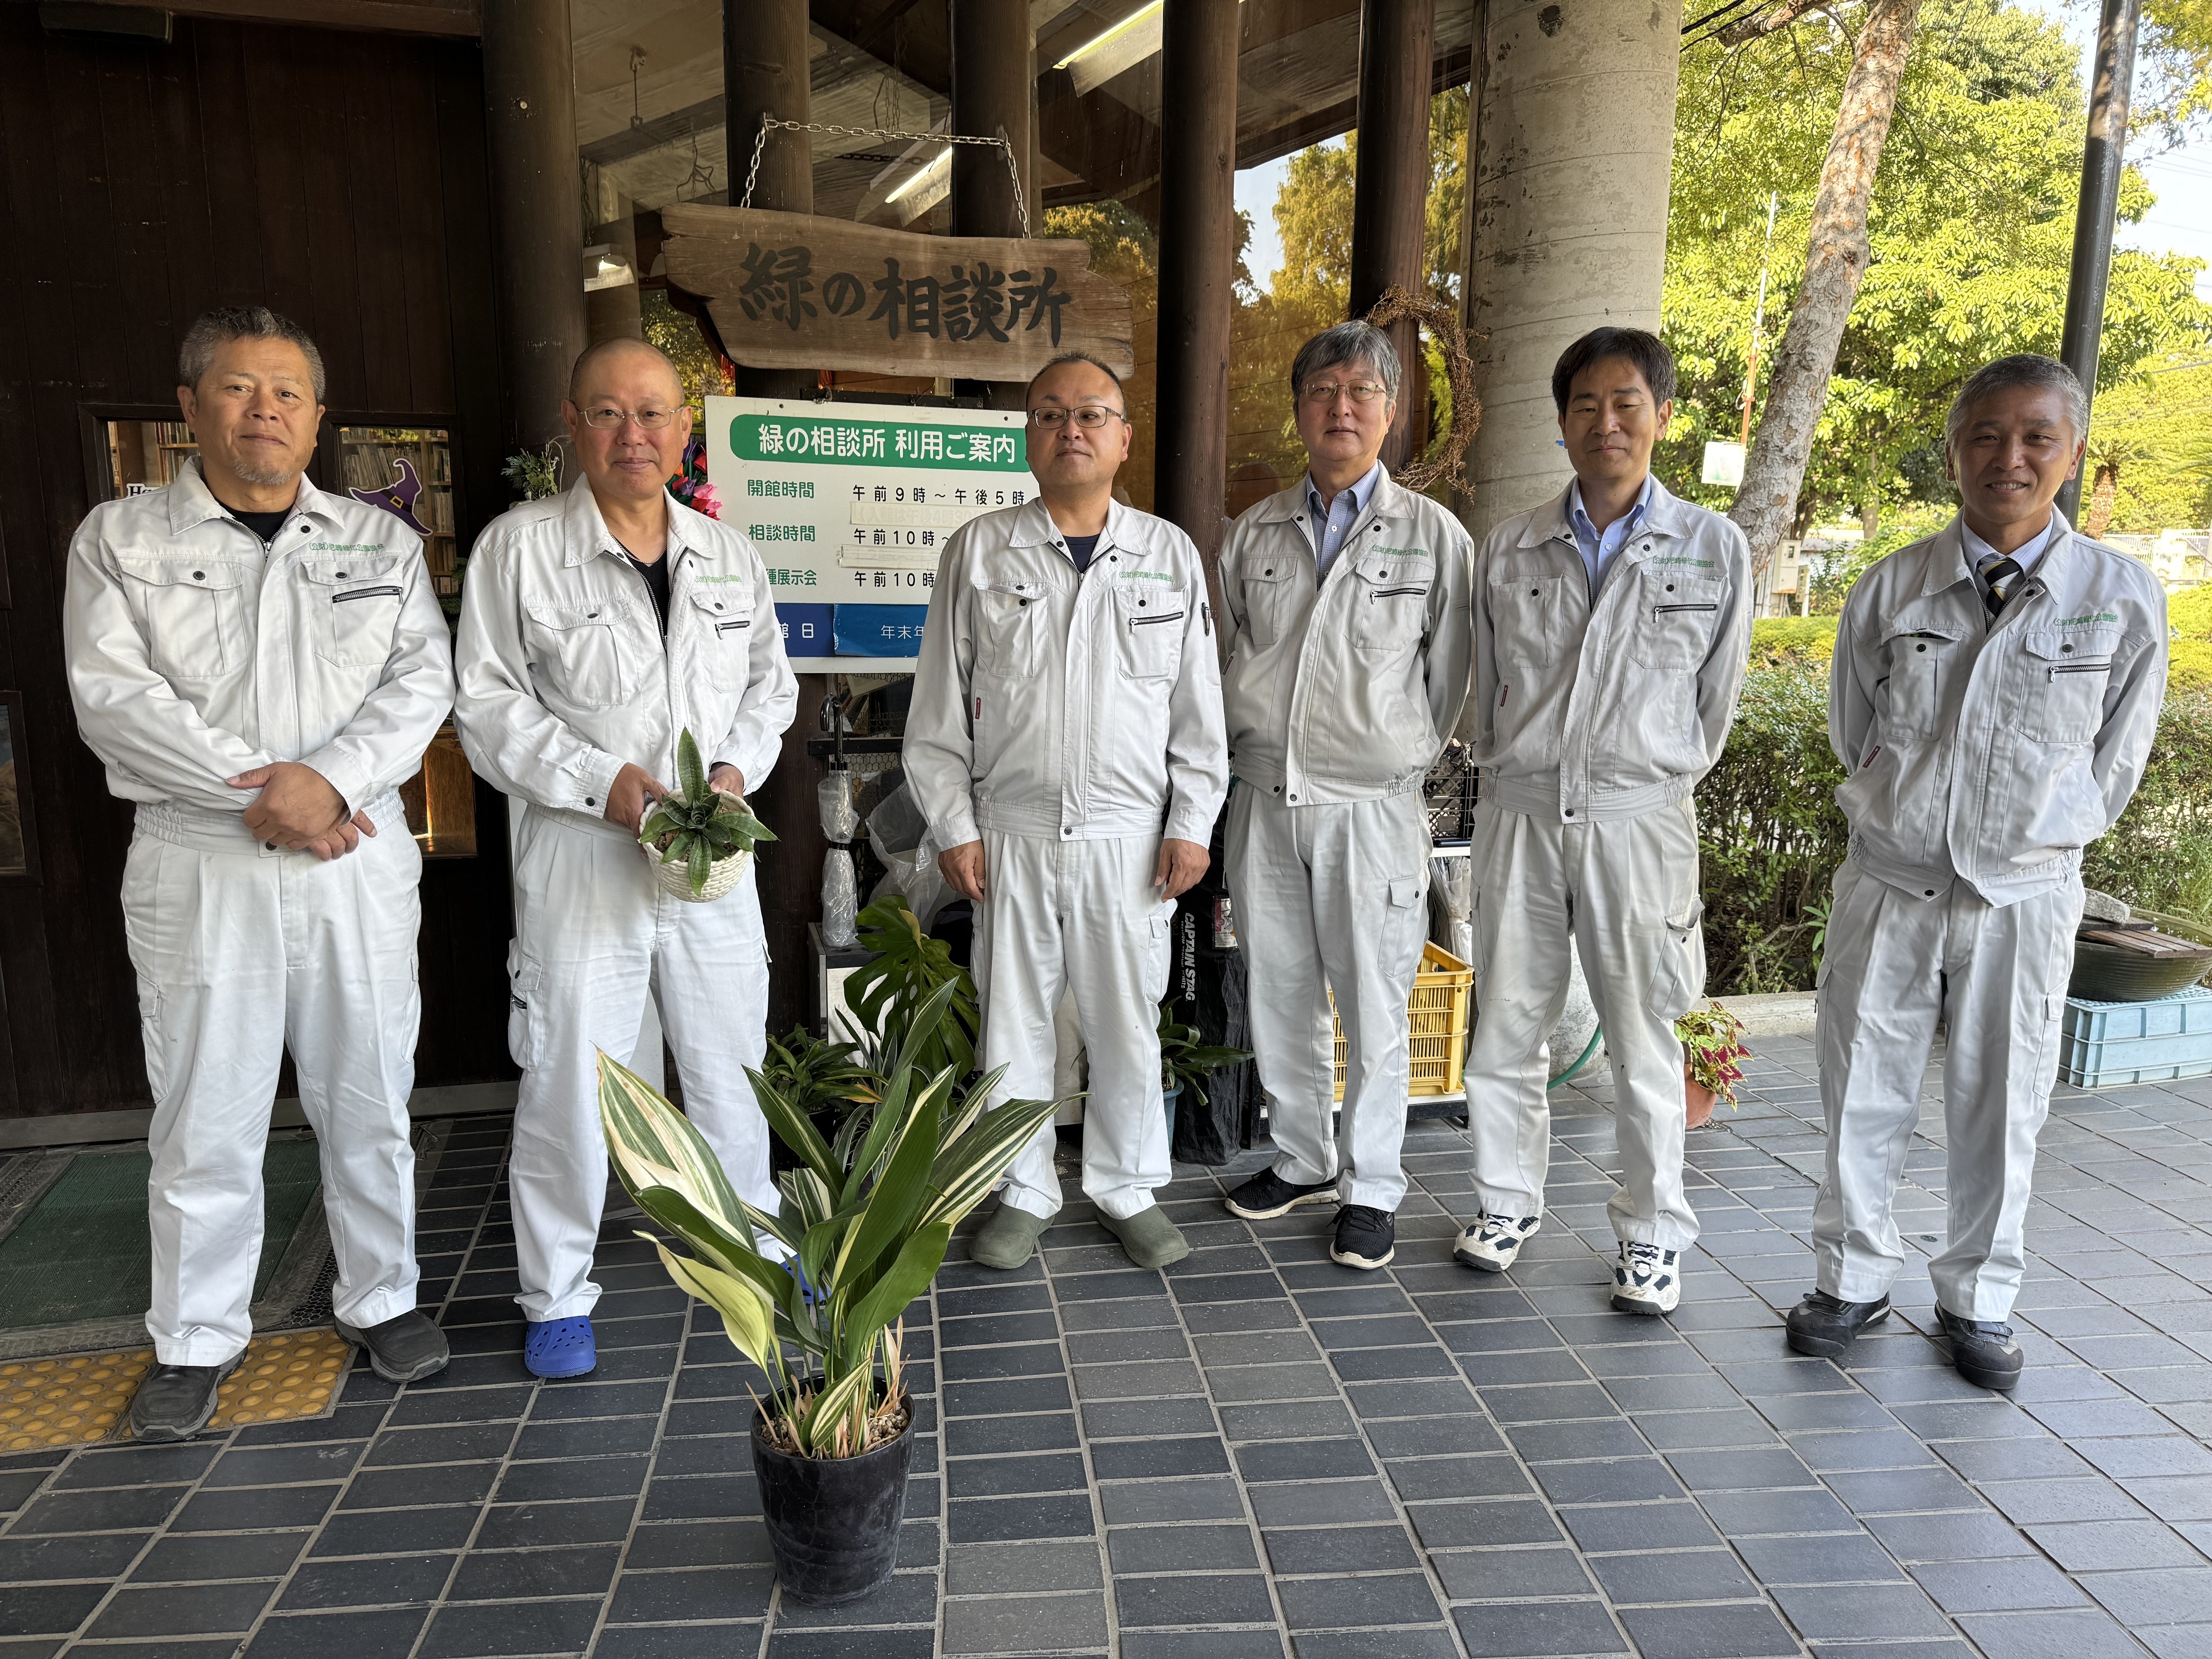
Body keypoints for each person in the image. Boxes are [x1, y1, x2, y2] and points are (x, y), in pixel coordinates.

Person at [65, 306, 455, 1439]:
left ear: (319, 418)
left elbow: (420, 684)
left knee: (369, 1090)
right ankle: (195, 1339)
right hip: (201, 858)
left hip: (352, 853)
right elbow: (116, 702)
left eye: (287, 393)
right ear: (189, 408)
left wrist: (328, 783)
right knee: (207, 1108)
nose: (264, 411)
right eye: (238, 389)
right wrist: (271, 797)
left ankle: (382, 1298)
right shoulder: (120, 541)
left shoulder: (377, 546)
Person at [1788, 356, 2166, 1391]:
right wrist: (1909, 814)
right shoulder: (1893, 586)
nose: (2011, 458)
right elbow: (1857, 730)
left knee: (2004, 1105)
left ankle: (1978, 1300)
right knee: (1863, 1088)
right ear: (1954, 450)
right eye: (1987, 436)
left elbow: (2118, 757)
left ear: (2072, 454)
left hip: (2024, 894)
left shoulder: (2117, 597)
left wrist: (2045, 836)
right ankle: (1851, 1280)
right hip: (1892, 881)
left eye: (2038, 437)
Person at [453, 339, 796, 1379]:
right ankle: (557, 1294)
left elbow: (770, 687)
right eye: (608, 413)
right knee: (570, 1075)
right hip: (581, 856)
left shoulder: (727, 555)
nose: (633, 433)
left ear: (685, 429)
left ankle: (751, 1244)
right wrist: (598, 778)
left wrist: (734, 770)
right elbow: (485, 705)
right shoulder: (519, 551)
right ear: (574, 424)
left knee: (731, 1063)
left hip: (710, 859)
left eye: (652, 413)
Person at [906, 351, 1228, 1271]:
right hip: (1010, 834)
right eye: (1050, 414)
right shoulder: (980, 552)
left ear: (1124, 440)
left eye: (1091, 414)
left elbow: (1198, 710)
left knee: (1126, 1024)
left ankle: (1128, 1188)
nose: (1070, 429)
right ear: (1028, 437)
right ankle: (1024, 1191)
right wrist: (955, 828)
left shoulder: (1168, 555)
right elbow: (937, 712)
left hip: (1129, 840)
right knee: (1014, 1026)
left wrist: (1191, 822)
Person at [1456, 327, 1751, 1315]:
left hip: (1639, 821)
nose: (1607, 423)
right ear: (1563, 422)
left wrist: (1646, 775)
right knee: (1508, 1022)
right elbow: (1484, 687)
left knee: (1649, 1035)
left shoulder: (1712, 546)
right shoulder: (1511, 547)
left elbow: (1713, 706)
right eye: (1586, 405)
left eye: (1627, 404)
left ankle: (1653, 1234)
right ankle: (1505, 1202)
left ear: (1663, 416)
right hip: (1524, 815)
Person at [1214, 321, 1475, 1270]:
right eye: (1323, 390)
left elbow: (1451, 679)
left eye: (1362, 391)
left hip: (1372, 807)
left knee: (1375, 1001)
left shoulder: (1434, 538)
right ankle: (1302, 1157)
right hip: (1265, 797)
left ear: (1391, 412)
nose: (1341, 407)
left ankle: (1372, 1186)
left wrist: (1390, 753)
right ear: (1299, 409)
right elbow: (1227, 658)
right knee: (1281, 990)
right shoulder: (1254, 533)